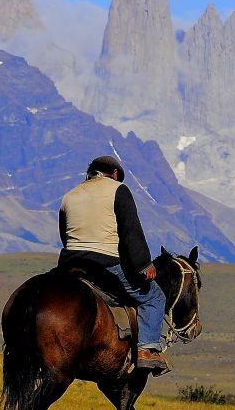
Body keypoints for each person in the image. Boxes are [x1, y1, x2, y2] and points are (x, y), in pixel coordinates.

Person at [58, 155, 169, 374]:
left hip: (69, 263)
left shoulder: (69, 196)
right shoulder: (118, 190)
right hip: (104, 263)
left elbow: (64, 233)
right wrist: (143, 265)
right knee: (155, 298)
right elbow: (131, 233)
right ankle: (147, 350)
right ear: (115, 174)